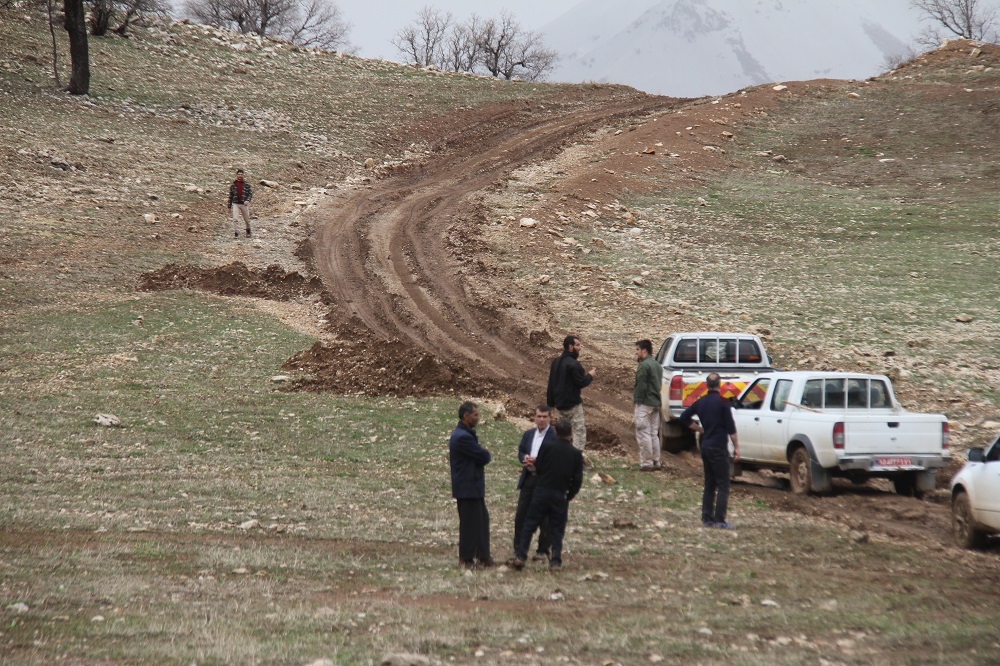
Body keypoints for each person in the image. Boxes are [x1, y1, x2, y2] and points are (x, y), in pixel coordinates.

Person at [510, 418, 584, 571]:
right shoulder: (576, 454)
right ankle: (555, 561)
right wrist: (569, 495)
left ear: (556, 432)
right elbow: (577, 480)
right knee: (556, 528)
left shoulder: (547, 447)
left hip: (542, 491)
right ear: (571, 433)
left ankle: (521, 556)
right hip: (560, 494)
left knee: (529, 524)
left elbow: (539, 467)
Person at [679, 373, 741, 529]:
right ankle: (720, 520)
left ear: (707, 385)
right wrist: (737, 448)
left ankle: (707, 518)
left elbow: (684, 417)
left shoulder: (701, 402)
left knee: (709, 483)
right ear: (719, 385)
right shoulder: (723, 403)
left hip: (706, 446)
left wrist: (700, 429)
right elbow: (731, 429)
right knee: (723, 484)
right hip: (719, 446)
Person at [448, 401, 493, 568]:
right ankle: (466, 558)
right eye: (475, 415)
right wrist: (485, 453)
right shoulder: (463, 437)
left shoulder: (463, 434)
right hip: (468, 488)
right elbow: (483, 456)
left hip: (471, 487)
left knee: (481, 521)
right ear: (466, 416)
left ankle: (483, 556)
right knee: (469, 524)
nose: (478, 418)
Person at [513, 405, 557, 562]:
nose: (542, 420)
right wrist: (523, 458)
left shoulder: (555, 436)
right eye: (539, 416)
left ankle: (543, 551)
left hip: (545, 480)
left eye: (545, 417)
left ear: (550, 418)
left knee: (545, 518)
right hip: (529, 478)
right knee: (521, 516)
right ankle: (518, 550)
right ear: (534, 417)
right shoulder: (528, 434)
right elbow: (520, 450)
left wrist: (539, 461)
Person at [546, 335, 596, 452]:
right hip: (573, 405)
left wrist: (551, 404)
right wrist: (590, 375)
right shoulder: (574, 364)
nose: (580, 348)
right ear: (570, 346)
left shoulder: (556, 362)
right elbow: (581, 382)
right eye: (577, 345)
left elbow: (551, 384)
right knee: (579, 432)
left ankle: (562, 454)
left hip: (560, 405)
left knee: (563, 433)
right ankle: (577, 457)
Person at [634, 339, 664, 471]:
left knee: (643, 432)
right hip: (656, 402)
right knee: (653, 434)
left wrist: (638, 401)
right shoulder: (657, 365)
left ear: (644, 350)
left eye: (637, 350)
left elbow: (641, 386)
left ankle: (646, 463)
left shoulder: (644, 366)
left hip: (645, 403)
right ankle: (656, 461)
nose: (636, 353)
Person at [228, 168, 253, 238]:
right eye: (239, 174)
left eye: (241, 174)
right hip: (235, 203)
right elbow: (230, 196)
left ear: (243, 175)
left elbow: (250, 194)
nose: (240, 176)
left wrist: (247, 200)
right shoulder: (233, 185)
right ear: (236, 175)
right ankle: (236, 233)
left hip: (244, 204)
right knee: (235, 219)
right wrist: (229, 207)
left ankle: (248, 230)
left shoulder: (247, 185)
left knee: (247, 219)